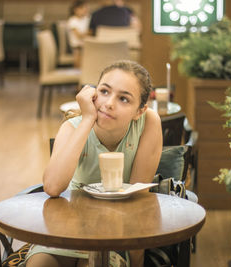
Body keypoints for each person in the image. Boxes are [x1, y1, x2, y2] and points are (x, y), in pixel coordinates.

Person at [22, 60, 163, 267]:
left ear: (139, 111)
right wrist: (87, 119)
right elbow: (52, 187)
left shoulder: (149, 122)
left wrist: (136, 262)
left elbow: (137, 201)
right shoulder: (72, 127)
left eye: (124, 99)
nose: (109, 103)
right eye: (104, 91)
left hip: (114, 234)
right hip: (65, 230)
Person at [67, 0, 90, 67]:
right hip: (76, 45)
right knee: (77, 58)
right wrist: (87, 33)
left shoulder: (87, 19)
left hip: (86, 44)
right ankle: (77, 73)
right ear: (75, 10)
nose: (85, 10)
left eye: (86, 8)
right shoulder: (72, 20)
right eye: (82, 8)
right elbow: (78, 35)